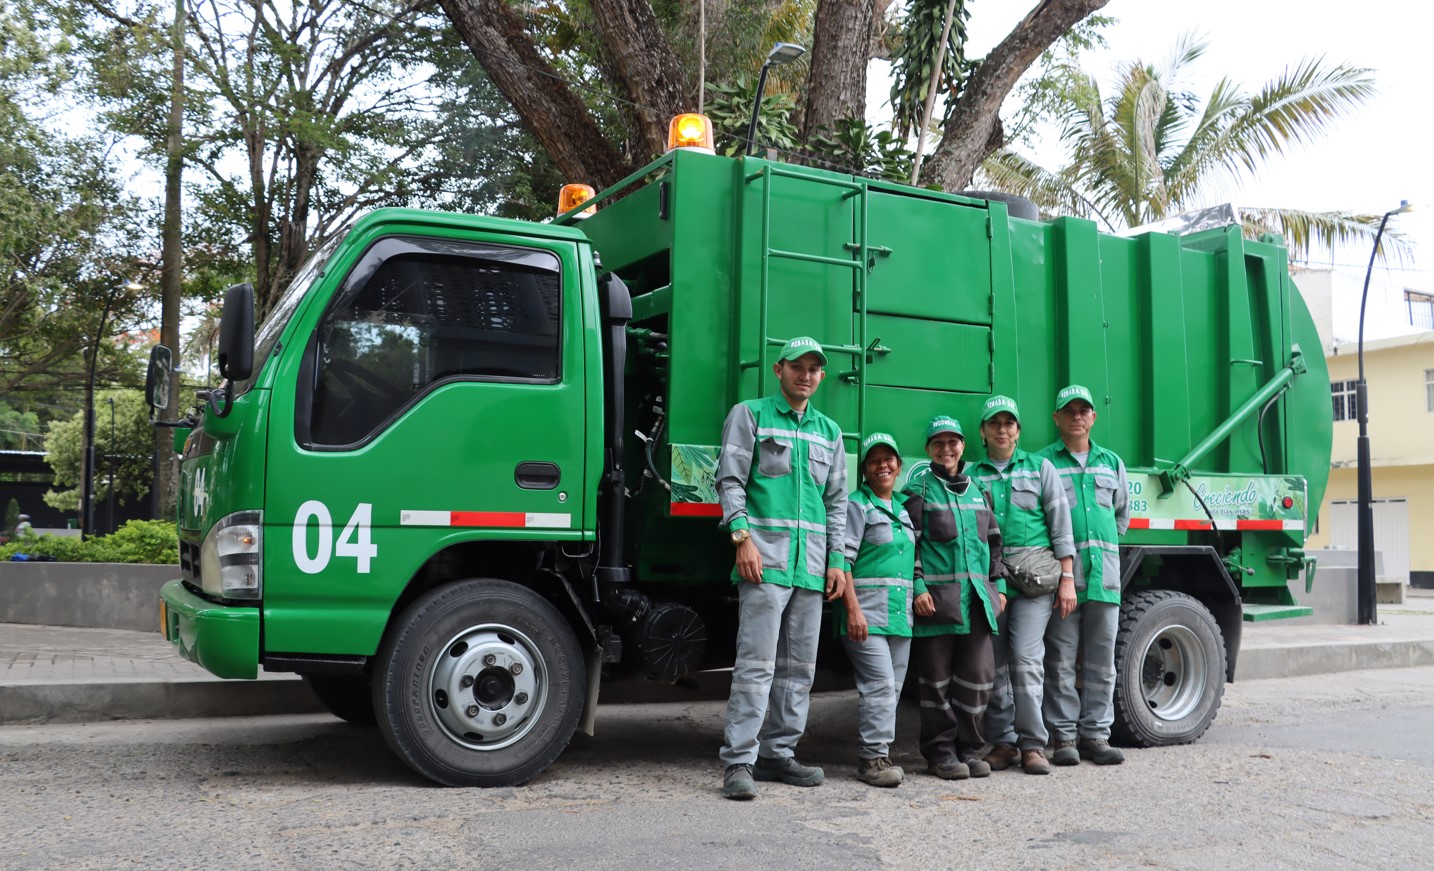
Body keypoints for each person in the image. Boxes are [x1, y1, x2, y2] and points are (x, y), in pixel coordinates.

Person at [715, 336, 849, 800]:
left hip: (810, 568)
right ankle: (739, 761)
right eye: (797, 366)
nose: (805, 375)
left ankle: (778, 753)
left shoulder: (830, 432)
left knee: (799, 670)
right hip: (764, 563)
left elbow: (836, 504)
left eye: (814, 368)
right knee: (756, 666)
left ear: (822, 375)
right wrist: (742, 539)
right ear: (779, 370)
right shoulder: (750, 415)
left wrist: (837, 562)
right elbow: (729, 481)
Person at [968, 396, 1075, 776]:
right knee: (994, 665)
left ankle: (1032, 745)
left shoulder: (1040, 469)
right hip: (990, 582)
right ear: (982, 432)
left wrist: (1067, 579)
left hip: (1033, 583)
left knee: (1026, 661)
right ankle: (1004, 743)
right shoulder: (971, 475)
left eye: (1008, 423)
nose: (1002, 430)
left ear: (1018, 431)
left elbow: (1061, 526)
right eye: (994, 423)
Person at [902, 415, 1006, 780]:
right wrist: (918, 587)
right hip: (938, 604)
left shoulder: (978, 490)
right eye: (938, 443)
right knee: (936, 684)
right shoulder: (918, 491)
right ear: (928, 449)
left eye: (952, 442)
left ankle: (969, 749)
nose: (946, 449)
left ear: (963, 446)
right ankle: (941, 754)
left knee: (979, 678)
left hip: (977, 601)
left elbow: (994, 543)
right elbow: (909, 546)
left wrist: (1000, 587)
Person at [1038, 385, 1131, 767]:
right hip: (1064, 581)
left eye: (1083, 410)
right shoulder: (1043, 464)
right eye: (1069, 411)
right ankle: (1064, 737)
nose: (1077, 416)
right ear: (1056, 418)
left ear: (1093, 417)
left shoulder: (1111, 463)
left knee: (1102, 663)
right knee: (1060, 661)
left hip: (1104, 579)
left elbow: (1121, 517)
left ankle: (1096, 735)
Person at [838, 432, 916, 788]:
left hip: (900, 617)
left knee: (892, 690)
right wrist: (853, 610)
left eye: (888, 460)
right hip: (866, 617)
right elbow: (843, 562)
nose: (882, 466)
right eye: (874, 461)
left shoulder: (904, 508)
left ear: (898, 466)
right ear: (865, 470)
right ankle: (872, 760)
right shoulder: (857, 505)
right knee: (880, 686)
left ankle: (880, 753)